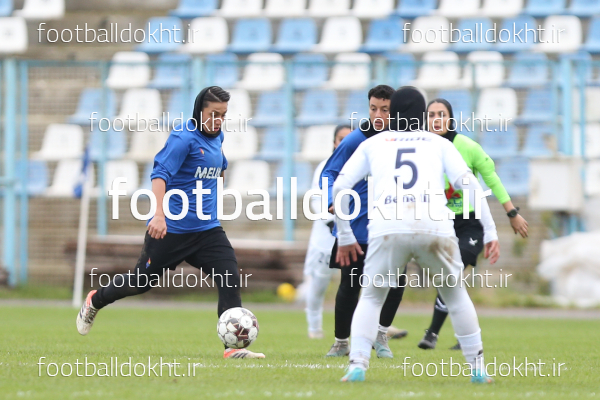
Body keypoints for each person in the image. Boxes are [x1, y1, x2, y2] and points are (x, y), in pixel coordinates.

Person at [76, 86, 266, 359]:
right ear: (199, 111)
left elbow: (218, 167)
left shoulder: (218, 136)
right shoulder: (182, 138)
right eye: (214, 114)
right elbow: (159, 174)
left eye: (223, 115)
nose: (219, 120)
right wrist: (159, 215)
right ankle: (95, 300)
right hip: (171, 231)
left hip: (207, 230)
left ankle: (232, 349)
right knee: (140, 282)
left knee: (229, 276)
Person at [334, 86, 498, 383]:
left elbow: (340, 186)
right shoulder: (439, 143)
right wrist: (490, 230)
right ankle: (478, 368)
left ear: (392, 114)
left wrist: (345, 235)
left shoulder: (375, 142)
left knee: (371, 297)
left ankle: (357, 363)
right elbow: (470, 185)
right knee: (456, 296)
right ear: (423, 116)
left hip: (388, 227)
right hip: (433, 226)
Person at [418, 98, 529, 351]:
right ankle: (465, 335)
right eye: (431, 115)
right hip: (439, 223)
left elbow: (492, 179)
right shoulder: (421, 150)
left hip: (470, 224)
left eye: (441, 114)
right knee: (451, 280)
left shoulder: (468, 147)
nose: (436, 119)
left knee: (452, 273)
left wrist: (512, 213)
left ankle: (432, 333)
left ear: (450, 119)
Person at [320, 85, 407, 359]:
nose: (378, 115)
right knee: (351, 285)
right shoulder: (355, 140)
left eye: (385, 109)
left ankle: (380, 335)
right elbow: (329, 173)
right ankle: (341, 342)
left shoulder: (402, 140)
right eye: (373, 108)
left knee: (395, 283)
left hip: (391, 225)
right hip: (357, 228)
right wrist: (331, 200)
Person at [303, 125, 352, 339]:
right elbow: (316, 199)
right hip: (327, 235)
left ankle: (374, 326)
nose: (344, 143)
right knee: (320, 281)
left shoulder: (363, 165)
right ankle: (314, 327)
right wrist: (333, 221)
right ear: (334, 142)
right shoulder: (325, 167)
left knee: (358, 280)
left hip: (356, 233)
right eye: (341, 139)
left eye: (348, 139)